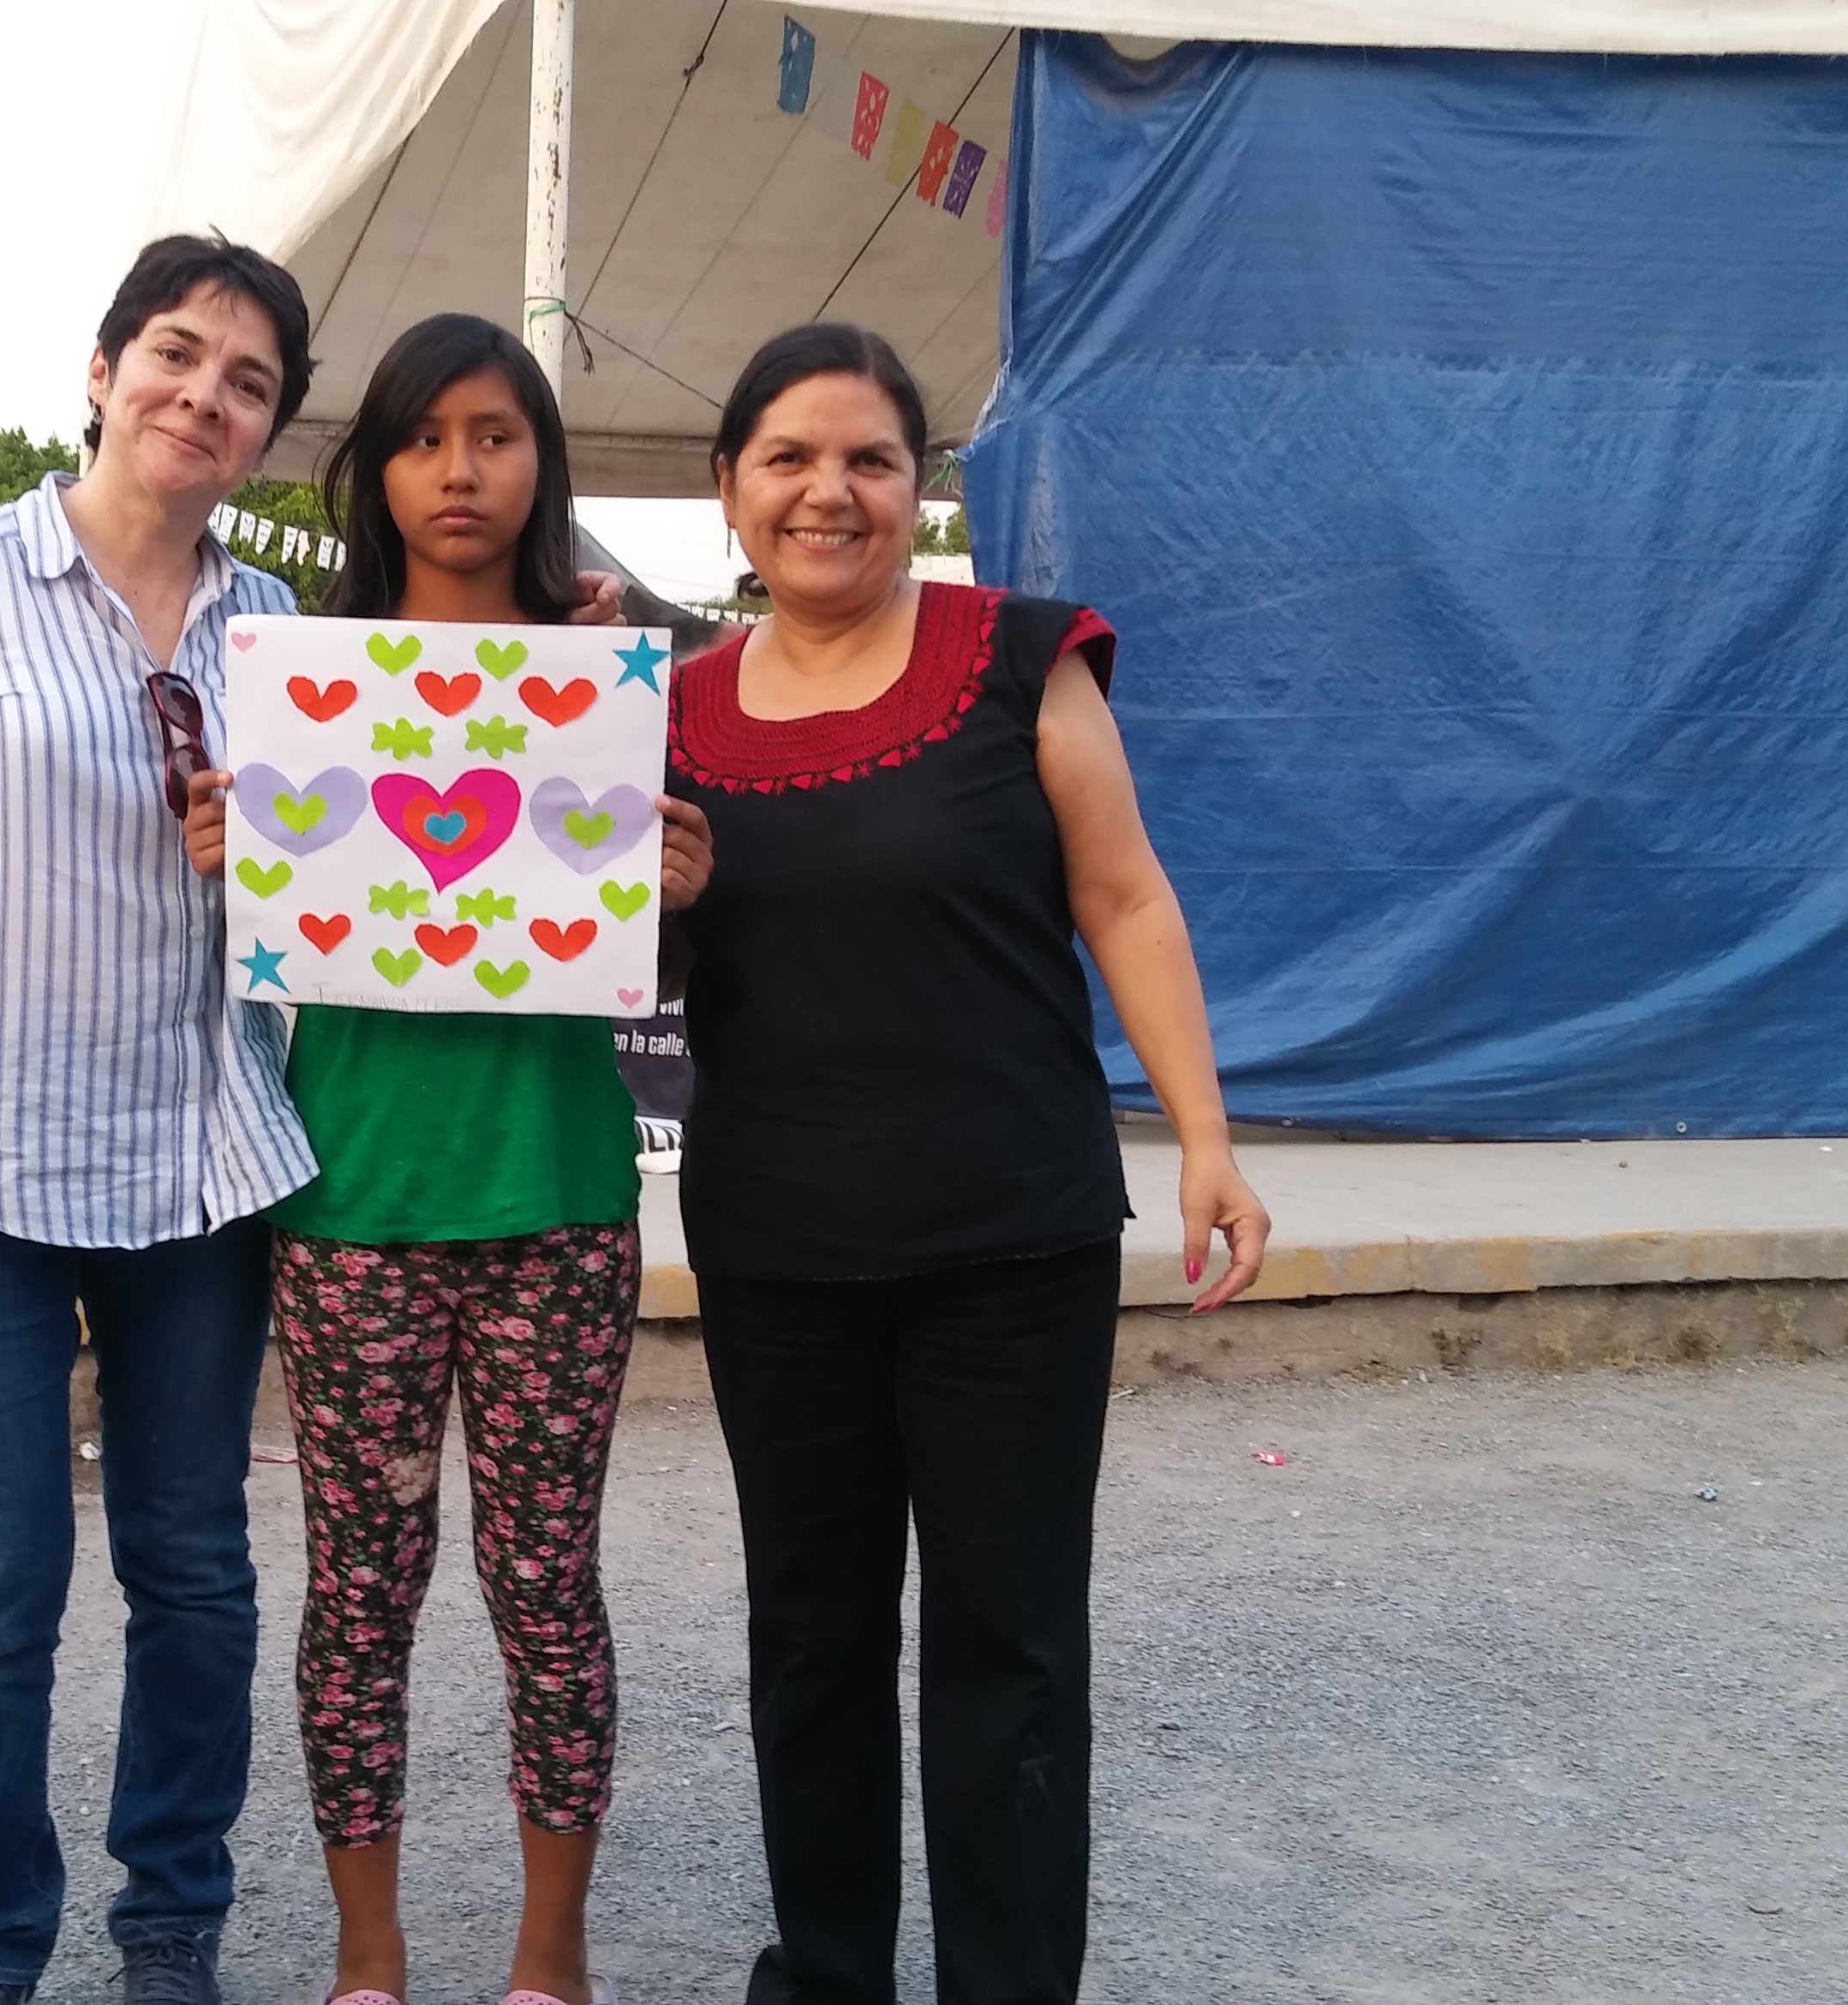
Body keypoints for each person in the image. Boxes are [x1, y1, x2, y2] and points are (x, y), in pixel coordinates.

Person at [661, 322, 1272, 2003]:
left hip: (1012, 1244)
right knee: (813, 1638)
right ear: (729, 493)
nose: (829, 492)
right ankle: (829, 1976)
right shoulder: (668, 715)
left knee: (1010, 1648)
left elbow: (1124, 896)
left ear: (916, 487)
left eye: (869, 458)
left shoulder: (1019, 658)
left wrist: (1206, 1143)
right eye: (788, 458)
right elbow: (634, 965)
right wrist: (654, 900)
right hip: (779, 1247)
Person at [0, 233, 322, 2005]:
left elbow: (341, 901)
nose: (203, 396)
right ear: (102, 372)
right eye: (175, 353)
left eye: (247, 383)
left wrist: (273, 868)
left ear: (268, 433)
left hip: (201, 1164)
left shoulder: (280, 636)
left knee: (196, 1570)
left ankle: (171, 1913)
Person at [181, 311, 712, 2005]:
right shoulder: (301, 680)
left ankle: (550, 1958)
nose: (460, 470)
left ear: (543, 460)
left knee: (547, 1587)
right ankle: (370, 1959)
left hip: (557, 1197)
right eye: (423, 438)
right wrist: (231, 846)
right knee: (361, 1593)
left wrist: (675, 889)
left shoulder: (607, 679)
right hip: (353, 1203)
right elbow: (277, 910)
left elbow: (640, 963)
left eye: (495, 434)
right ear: (377, 470)